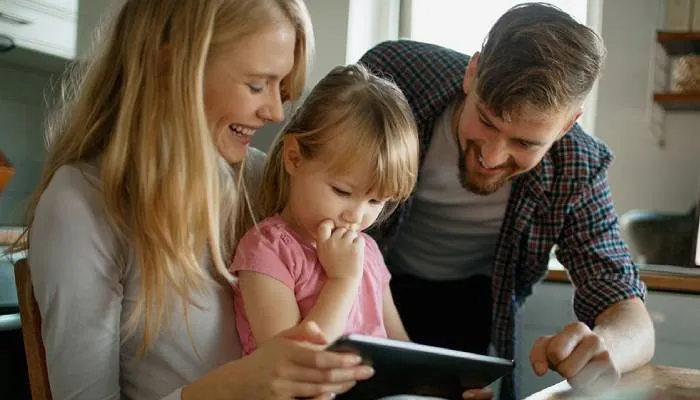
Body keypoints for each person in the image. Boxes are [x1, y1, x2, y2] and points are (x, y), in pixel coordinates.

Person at [17, 1, 376, 399]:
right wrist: (234, 386)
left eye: (282, 87)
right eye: (257, 85)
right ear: (172, 65)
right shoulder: (81, 205)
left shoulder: (260, 180)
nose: (276, 111)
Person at [358, 2, 655, 399]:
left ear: (567, 124)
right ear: (472, 73)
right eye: (486, 120)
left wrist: (607, 346)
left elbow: (622, 301)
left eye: (525, 142)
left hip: (469, 304)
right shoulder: (393, 78)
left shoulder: (577, 166)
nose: (492, 157)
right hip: (360, 280)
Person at [229, 63, 417, 357]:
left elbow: (402, 349)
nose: (356, 216)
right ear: (294, 158)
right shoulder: (267, 251)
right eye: (342, 191)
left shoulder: (366, 253)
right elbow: (293, 363)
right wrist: (343, 281)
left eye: (376, 201)